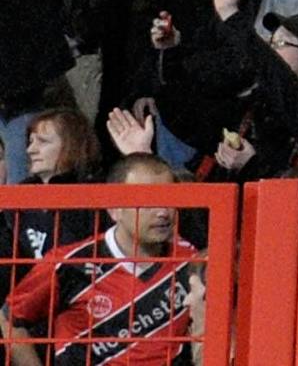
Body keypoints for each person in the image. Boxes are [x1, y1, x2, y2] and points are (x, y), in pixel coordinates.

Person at [0, 155, 200, 363]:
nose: (163, 212)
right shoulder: (69, 264)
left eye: (170, 200)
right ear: (114, 209)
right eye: (148, 201)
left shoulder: (191, 262)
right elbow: (10, 319)